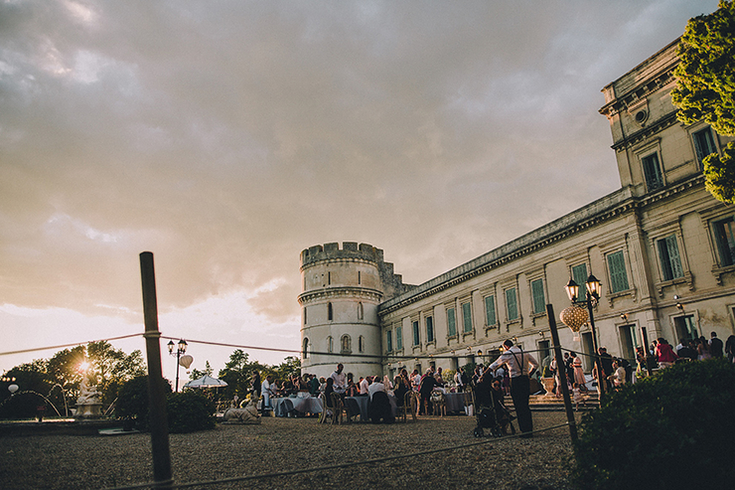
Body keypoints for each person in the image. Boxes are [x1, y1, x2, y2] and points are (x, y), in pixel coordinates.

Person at [488, 339, 538, 437]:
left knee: (519, 406)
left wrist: (484, 374)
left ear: (506, 346)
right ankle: (529, 429)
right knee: (525, 405)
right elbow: (536, 365)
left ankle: (524, 431)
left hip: (515, 380)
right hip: (525, 380)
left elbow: (495, 365)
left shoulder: (508, 354)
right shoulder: (525, 352)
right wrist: (529, 374)